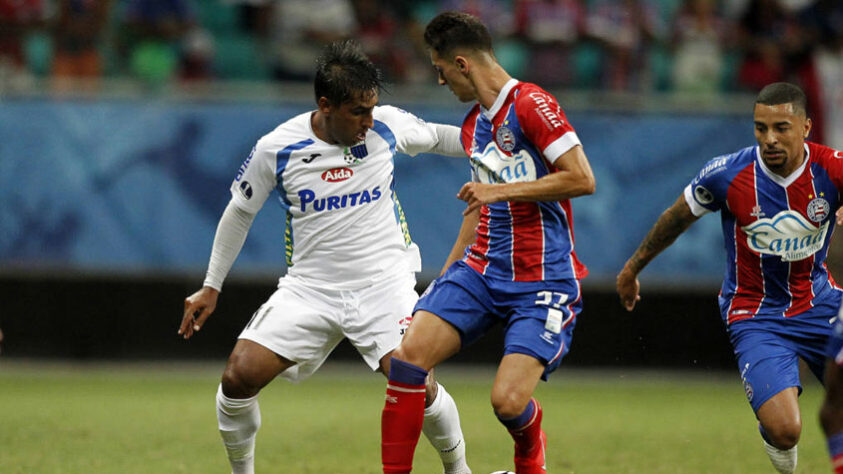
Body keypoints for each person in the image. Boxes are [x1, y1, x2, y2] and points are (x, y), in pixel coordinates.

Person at [179, 40, 471, 474]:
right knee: (237, 377)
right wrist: (212, 284)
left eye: (373, 110)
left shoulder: (386, 127)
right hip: (310, 290)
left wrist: (497, 147)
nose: (368, 122)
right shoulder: (276, 149)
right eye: (358, 112)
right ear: (326, 105)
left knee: (415, 382)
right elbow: (239, 211)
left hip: (383, 286)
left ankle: (459, 470)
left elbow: (441, 138)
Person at [380, 11, 596, 474]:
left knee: (507, 401)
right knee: (407, 360)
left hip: (542, 277)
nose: (440, 82)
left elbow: (581, 178)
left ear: (461, 63)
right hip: (480, 272)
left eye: (440, 71)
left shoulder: (532, 104)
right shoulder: (473, 124)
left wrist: (498, 190)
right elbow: (479, 206)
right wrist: (446, 278)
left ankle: (529, 446)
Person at [617, 82, 843, 474]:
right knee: (786, 429)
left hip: (821, 303)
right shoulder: (727, 174)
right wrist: (633, 267)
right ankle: (778, 443)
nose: (769, 139)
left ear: (806, 127)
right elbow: (675, 218)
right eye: (760, 128)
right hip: (756, 315)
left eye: (781, 128)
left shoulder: (833, 169)